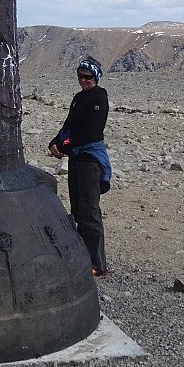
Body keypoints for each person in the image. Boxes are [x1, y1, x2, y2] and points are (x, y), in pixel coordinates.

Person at [49, 56, 111, 278]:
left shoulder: (99, 96)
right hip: (76, 158)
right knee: (77, 209)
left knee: (90, 211)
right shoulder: (78, 98)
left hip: (89, 159)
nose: (83, 80)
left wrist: (65, 146)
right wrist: (55, 142)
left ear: (96, 77)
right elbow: (70, 125)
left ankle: (98, 264)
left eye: (88, 77)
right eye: (80, 76)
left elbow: (91, 131)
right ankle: (82, 257)